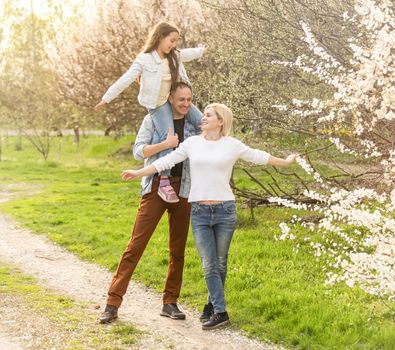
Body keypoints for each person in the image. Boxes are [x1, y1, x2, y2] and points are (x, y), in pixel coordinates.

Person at [121, 103, 297, 330]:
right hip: (200, 212)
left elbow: (258, 156)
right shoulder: (192, 143)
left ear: (220, 121)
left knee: (220, 263)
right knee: (209, 264)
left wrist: (285, 161)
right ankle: (221, 312)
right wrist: (138, 172)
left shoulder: (232, 145)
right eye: (203, 114)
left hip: (225, 211)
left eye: (208, 115)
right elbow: (165, 162)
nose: (202, 118)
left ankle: (212, 306)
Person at [99, 82, 201, 324]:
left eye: (189, 99)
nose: (185, 104)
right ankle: (112, 303)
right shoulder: (153, 119)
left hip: (184, 187)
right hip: (156, 186)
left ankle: (170, 302)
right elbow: (138, 151)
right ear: (169, 98)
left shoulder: (193, 124)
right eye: (181, 99)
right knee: (136, 245)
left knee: (177, 251)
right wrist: (165, 145)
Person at [95, 22, 206, 203]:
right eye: (171, 40)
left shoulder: (174, 56)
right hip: (158, 105)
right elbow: (126, 79)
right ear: (160, 37)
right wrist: (106, 98)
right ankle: (164, 180)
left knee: (203, 121)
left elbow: (187, 54)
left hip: (172, 98)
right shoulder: (144, 59)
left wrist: (201, 51)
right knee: (169, 138)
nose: (173, 45)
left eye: (176, 41)